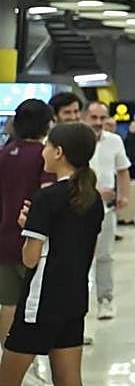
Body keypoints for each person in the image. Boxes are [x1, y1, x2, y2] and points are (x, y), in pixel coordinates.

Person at [0, 123, 103, 386]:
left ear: (59, 152)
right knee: (69, 379)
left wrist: (29, 229)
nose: (42, 151)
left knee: (7, 379)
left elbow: (30, 259)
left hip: (40, 302)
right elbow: (86, 249)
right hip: (74, 298)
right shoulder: (93, 199)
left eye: (46, 146)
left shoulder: (45, 199)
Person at [0, 100, 53, 348]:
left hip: (3, 238)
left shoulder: (3, 153)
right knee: (35, 304)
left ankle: (5, 359)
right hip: (32, 240)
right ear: (47, 124)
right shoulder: (45, 156)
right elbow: (49, 196)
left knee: (8, 303)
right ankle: (27, 363)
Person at [82, 100, 130, 321]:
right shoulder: (76, 140)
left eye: (103, 118)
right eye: (94, 118)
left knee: (105, 257)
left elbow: (122, 170)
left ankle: (105, 300)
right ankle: (78, 304)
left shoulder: (114, 141)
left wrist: (124, 195)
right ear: (85, 117)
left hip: (106, 210)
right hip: (79, 209)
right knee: (79, 259)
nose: (99, 122)